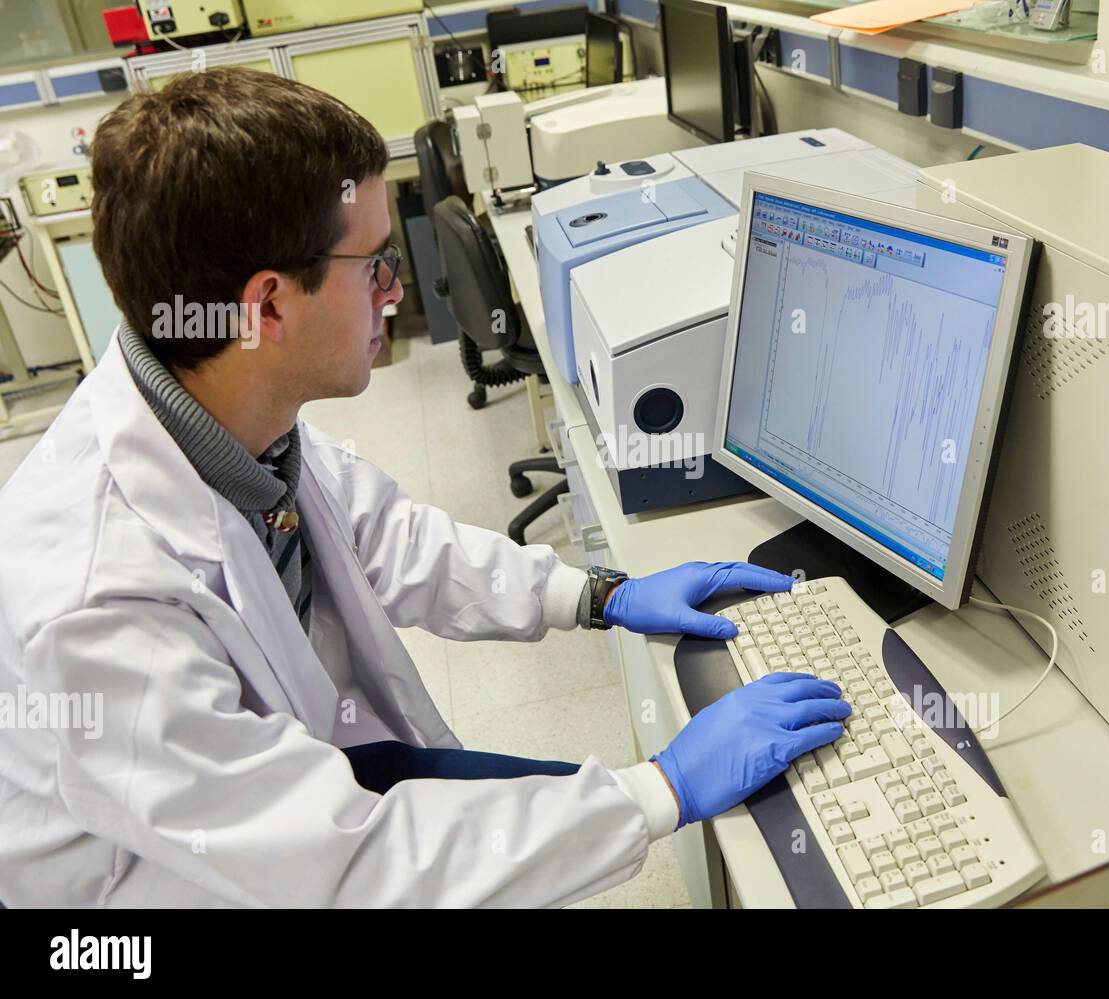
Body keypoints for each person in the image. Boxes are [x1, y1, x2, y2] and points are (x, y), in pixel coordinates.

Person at [0, 68, 848, 907]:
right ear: (265, 308)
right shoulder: (99, 600)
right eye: (372, 264)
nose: (396, 291)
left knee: (557, 814)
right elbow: (346, 870)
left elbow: (388, 539)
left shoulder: (228, 408)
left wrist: (602, 595)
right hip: (165, 888)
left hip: (288, 795)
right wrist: (664, 787)